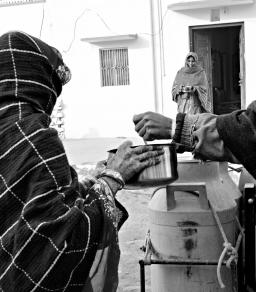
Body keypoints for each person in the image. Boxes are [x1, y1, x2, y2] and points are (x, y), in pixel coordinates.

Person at [0, 31, 164, 292]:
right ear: (37, 81)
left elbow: (35, 206)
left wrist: (91, 183)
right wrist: (111, 180)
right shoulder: (32, 135)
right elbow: (58, 248)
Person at [134, 40, 256, 291]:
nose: (190, 63)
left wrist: (178, 127)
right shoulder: (180, 74)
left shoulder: (202, 76)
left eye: (192, 60)